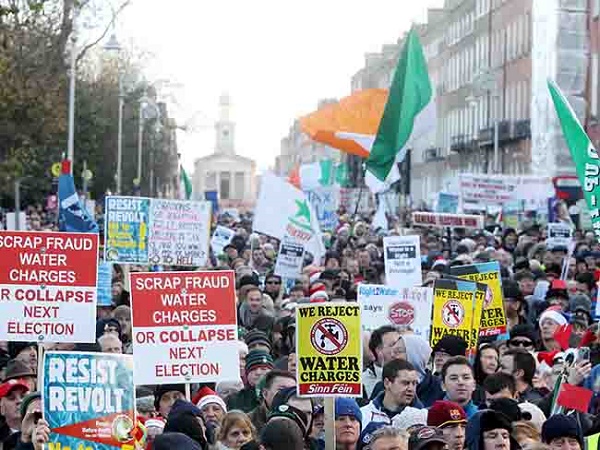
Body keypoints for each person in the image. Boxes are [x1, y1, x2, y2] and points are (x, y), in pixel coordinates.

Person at [361, 359, 424, 428]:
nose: (411, 388)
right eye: (405, 383)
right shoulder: (363, 415)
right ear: (387, 383)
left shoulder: (422, 417)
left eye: (414, 383)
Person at [363, 326, 404, 399]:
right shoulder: (362, 381)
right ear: (378, 350)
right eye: (393, 345)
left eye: (401, 344)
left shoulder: (412, 377)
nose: (399, 348)